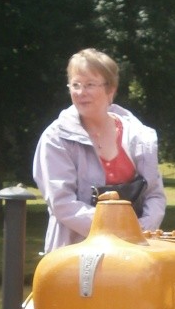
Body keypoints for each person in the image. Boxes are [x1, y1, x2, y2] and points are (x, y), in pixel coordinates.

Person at [33, 48, 166, 251]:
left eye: (89, 85)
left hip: (135, 255)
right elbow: (62, 203)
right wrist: (119, 230)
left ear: (110, 89)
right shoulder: (56, 138)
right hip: (74, 256)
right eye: (75, 85)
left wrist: (141, 231)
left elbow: (154, 196)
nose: (81, 92)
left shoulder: (139, 137)